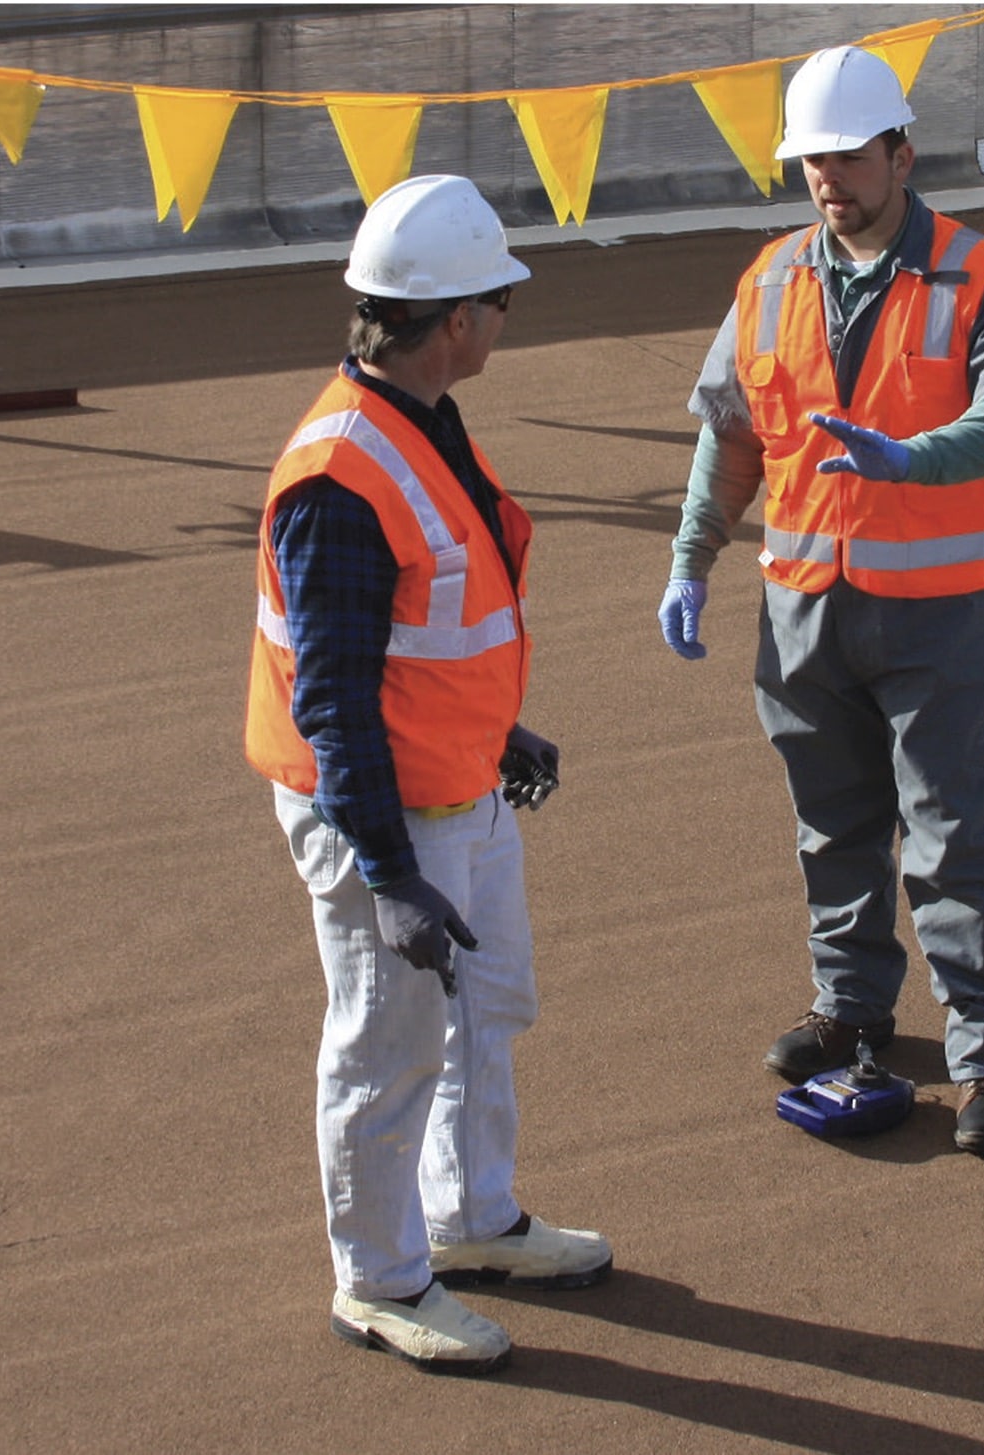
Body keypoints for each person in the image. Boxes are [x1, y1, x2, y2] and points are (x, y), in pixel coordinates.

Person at [655, 47, 984, 1156]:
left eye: (846, 155)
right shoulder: (770, 278)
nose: (827, 177)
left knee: (956, 840)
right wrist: (692, 559)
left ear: (901, 151)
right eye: (809, 160)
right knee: (832, 828)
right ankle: (849, 1009)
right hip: (801, 612)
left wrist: (914, 458)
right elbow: (731, 432)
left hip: (938, 612)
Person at [248, 173, 609, 1376]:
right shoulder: (340, 475)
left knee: (486, 1008)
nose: (504, 320)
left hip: (455, 783)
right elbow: (334, 699)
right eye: (497, 302)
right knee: (388, 1042)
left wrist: (497, 731)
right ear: (453, 319)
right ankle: (379, 1278)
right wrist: (388, 874)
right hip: (380, 814)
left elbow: (423, 627)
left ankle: (470, 1220)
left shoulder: (420, 419)